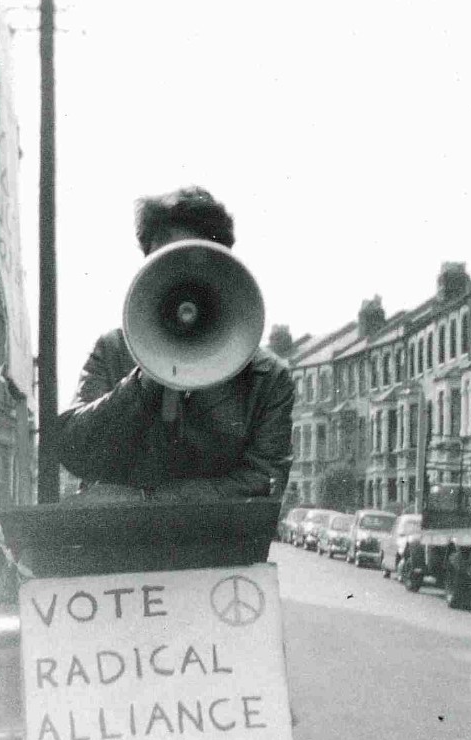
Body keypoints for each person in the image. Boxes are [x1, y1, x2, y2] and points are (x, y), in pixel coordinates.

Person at [58, 186, 295, 503]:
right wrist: (145, 381)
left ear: (223, 264)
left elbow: (263, 480)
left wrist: (147, 499)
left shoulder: (268, 379)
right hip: (116, 546)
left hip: (216, 548)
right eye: (167, 262)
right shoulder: (113, 350)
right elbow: (75, 450)